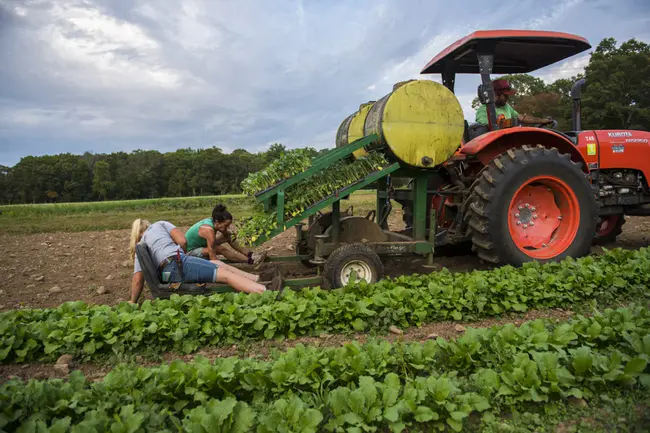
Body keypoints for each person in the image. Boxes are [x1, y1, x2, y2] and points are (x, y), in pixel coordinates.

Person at [128, 219, 281, 304]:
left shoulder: (141, 246)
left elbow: (137, 280)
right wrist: (181, 256)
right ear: (148, 225)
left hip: (168, 275)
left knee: (218, 264)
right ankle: (266, 292)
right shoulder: (160, 224)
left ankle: (257, 279)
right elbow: (182, 240)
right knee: (225, 276)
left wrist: (132, 302)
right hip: (178, 264)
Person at [185, 204, 267, 268]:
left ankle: (250, 254)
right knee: (221, 249)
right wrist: (218, 269)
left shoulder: (213, 221)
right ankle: (251, 261)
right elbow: (212, 255)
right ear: (217, 221)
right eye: (226, 225)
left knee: (228, 236)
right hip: (190, 252)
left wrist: (230, 233)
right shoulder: (208, 231)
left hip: (200, 245)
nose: (228, 227)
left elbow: (226, 233)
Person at [475, 79, 556, 128]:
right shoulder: (484, 110)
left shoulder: (506, 106)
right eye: (505, 95)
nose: (508, 98)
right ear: (495, 95)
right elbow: (486, 128)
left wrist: (542, 121)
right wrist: (501, 122)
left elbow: (521, 117)